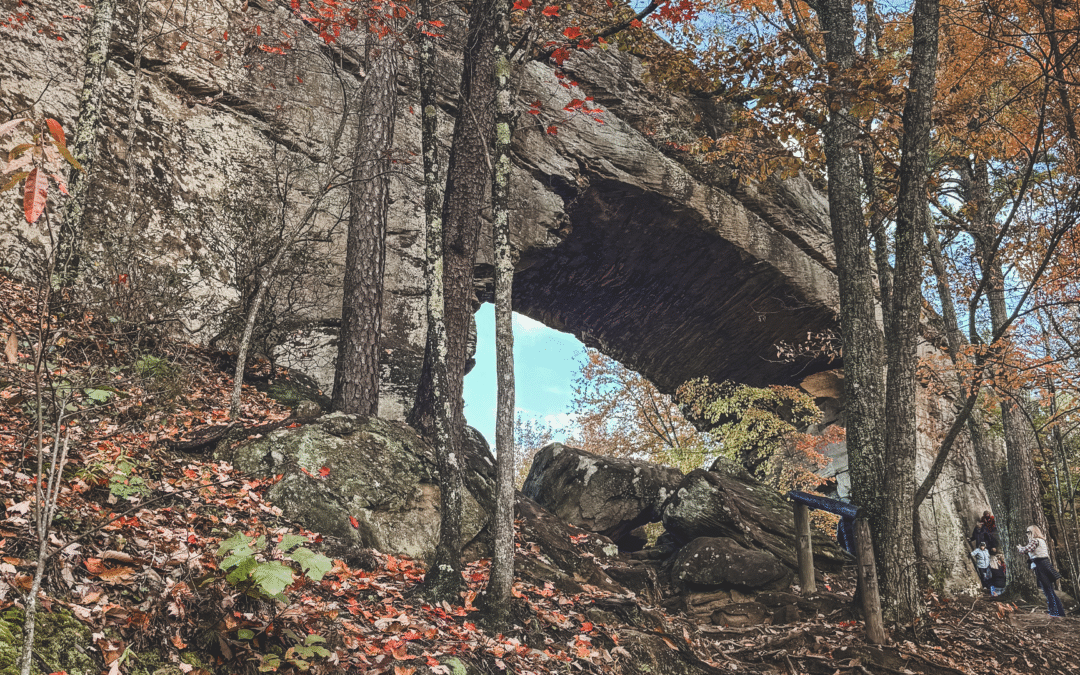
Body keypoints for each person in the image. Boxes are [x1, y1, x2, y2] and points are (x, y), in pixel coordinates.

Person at [1017, 525, 1065, 617]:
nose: (1027, 534)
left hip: (1041, 565)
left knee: (1047, 590)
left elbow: (1027, 549)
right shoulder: (1042, 540)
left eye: (1028, 532)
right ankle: (1058, 611)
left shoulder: (1035, 540)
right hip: (1045, 564)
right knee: (1049, 589)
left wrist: (1020, 548)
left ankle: (1054, 612)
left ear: (1033, 533)